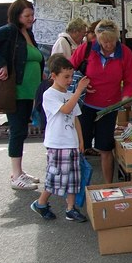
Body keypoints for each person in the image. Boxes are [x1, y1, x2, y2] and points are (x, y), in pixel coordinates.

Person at [0, 0, 45, 190]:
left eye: (32, 15)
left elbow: (33, 59)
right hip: (17, 91)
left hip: (29, 92)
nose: (31, 19)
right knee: (17, 131)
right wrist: (1, 64)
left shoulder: (28, 33)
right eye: (27, 16)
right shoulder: (10, 31)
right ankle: (16, 175)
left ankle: (20, 172)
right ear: (17, 16)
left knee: (22, 130)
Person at [70, 19, 132, 183]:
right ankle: (77, 185)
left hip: (110, 107)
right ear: (97, 38)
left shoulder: (125, 53)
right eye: (104, 41)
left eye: (111, 41)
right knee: (80, 145)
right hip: (85, 105)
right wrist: (80, 85)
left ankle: (109, 186)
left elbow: (129, 83)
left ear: (117, 38)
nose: (108, 45)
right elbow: (68, 69)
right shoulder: (87, 48)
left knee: (106, 148)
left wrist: (126, 97)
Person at [30, 54, 90, 222]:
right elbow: (65, 110)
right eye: (66, 77)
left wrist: (81, 140)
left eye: (71, 76)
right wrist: (78, 91)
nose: (70, 80)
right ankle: (41, 203)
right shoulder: (50, 95)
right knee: (55, 177)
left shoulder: (70, 94)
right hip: (57, 143)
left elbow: (75, 117)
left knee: (73, 177)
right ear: (54, 75)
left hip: (70, 142)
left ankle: (71, 208)